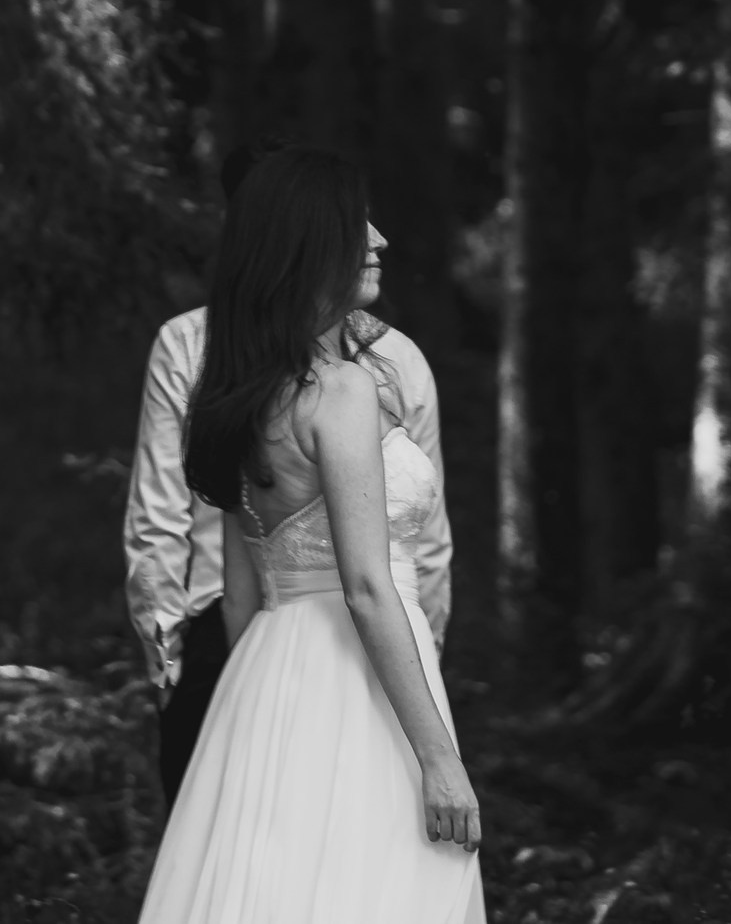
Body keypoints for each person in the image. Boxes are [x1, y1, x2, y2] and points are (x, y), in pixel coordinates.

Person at [134, 146, 486, 923]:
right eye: (356, 223)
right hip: (357, 675)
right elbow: (366, 585)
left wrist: (257, 712)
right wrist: (437, 757)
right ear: (307, 245)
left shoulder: (238, 394)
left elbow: (242, 596)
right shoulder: (344, 388)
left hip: (267, 672)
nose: (380, 239)